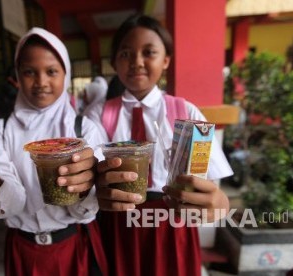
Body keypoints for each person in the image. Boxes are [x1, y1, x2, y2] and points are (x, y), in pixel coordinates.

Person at [86, 14, 233, 276]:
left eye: (149, 52)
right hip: (120, 220)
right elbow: (91, 174)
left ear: (165, 60)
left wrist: (218, 202)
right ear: (114, 62)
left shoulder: (186, 112)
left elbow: (211, 184)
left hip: (172, 221)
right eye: (126, 54)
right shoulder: (99, 115)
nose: (137, 62)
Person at [0, 27, 108, 276]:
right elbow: (10, 205)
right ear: (18, 76)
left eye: (51, 71)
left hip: (75, 245)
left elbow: (89, 207)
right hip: (23, 247)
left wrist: (84, 187)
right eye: (29, 72)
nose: (41, 82)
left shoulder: (84, 130)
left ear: (66, 74)